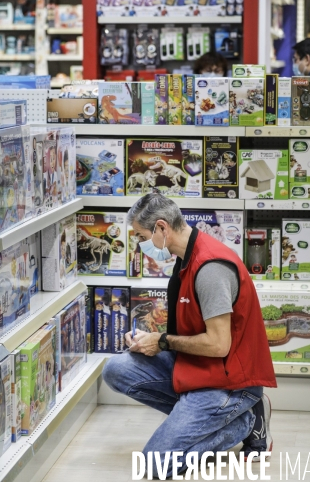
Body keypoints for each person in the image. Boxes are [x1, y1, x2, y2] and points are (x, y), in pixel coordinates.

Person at [103, 193, 276, 478]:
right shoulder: (184, 258)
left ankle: (244, 420)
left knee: (154, 466)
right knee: (115, 369)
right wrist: (151, 341)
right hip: (196, 367)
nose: (140, 244)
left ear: (161, 228)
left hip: (229, 381)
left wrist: (162, 342)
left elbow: (219, 345)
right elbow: (190, 329)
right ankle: (206, 418)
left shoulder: (210, 269)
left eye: (141, 235)